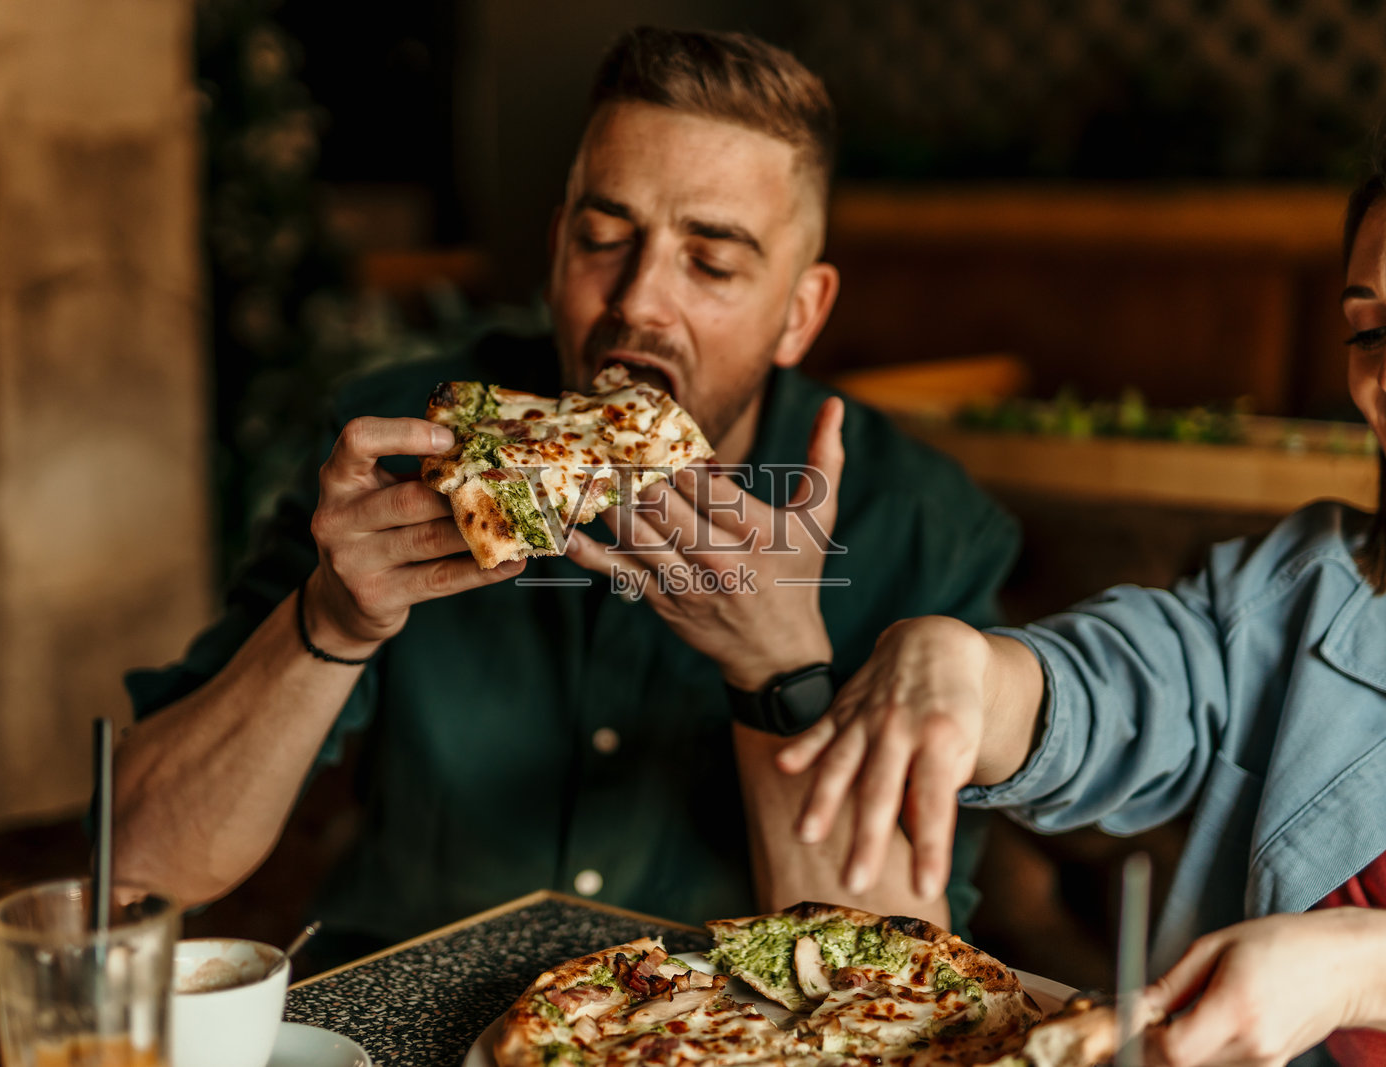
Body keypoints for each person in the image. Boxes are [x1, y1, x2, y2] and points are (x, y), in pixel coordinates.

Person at [114, 26, 1018, 965]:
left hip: (697, 1030)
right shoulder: (396, 443)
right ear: (556, 248)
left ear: (800, 312)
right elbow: (141, 858)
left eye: (710, 262)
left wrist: (780, 667)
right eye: (603, 238)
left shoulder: (924, 527)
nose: (637, 302)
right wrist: (331, 623)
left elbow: (885, 981)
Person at [782, 114, 1386, 1066]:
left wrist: (1359, 968)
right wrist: (969, 669)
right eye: (1367, 329)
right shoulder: (1318, 587)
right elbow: (1129, 677)